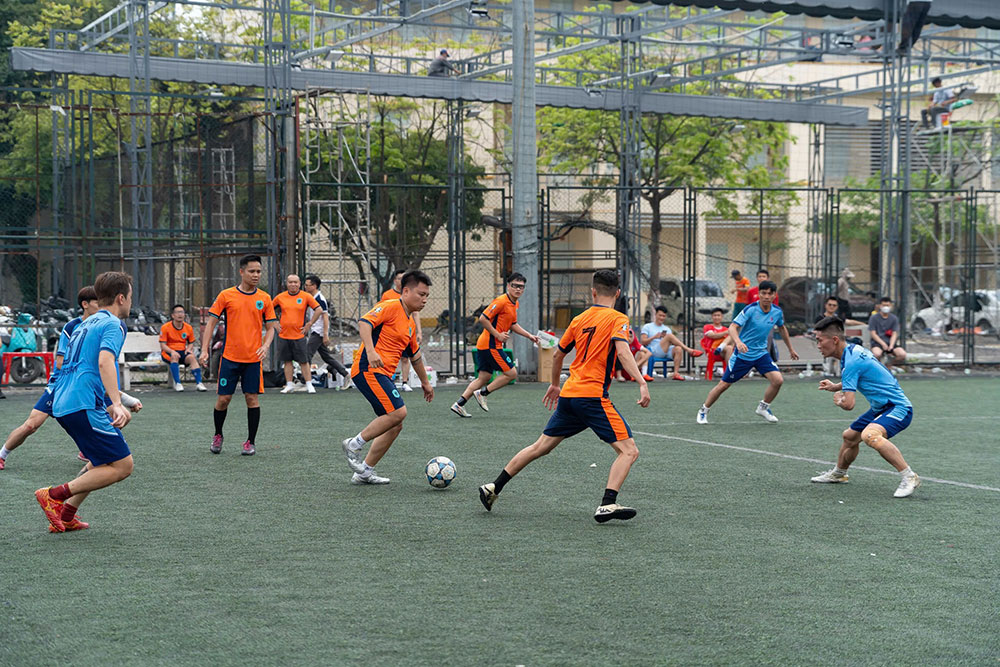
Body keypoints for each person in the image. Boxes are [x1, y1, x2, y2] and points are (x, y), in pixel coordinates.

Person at [477, 269, 651, 523]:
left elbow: (559, 354)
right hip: (592, 397)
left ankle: (494, 487)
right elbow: (623, 353)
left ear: (593, 291)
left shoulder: (579, 319)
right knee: (629, 451)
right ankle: (607, 504)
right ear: (617, 293)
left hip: (569, 394)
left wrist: (555, 385)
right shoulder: (618, 318)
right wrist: (642, 382)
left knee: (540, 447)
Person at [34, 272, 136, 533]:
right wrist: (116, 402)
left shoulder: (84, 324)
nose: (130, 302)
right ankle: (53, 495)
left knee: (100, 462)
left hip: (65, 402)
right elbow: (104, 362)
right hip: (82, 403)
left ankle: (67, 514)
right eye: (130, 297)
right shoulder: (113, 324)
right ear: (121, 298)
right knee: (123, 466)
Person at [1, 286, 141, 472]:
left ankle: (88, 451)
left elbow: (101, 364)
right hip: (63, 384)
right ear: (85, 304)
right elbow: (61, 363)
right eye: (97, 302)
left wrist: (120, 397)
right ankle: (2, 454)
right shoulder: (73, 327)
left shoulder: (104, 324)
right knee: (31, 425)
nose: (101, 305)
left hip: (87, 385)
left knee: (124, 416)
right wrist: (122, 397)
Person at [341, 270, 435, 484]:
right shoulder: (391, 306)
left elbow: (415, 356)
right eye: (421, 294)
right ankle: (353, 444)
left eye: (427, 296)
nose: (424, 300)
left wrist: (425, 383)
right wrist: (371, 351)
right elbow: (364, 322)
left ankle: (364, 472)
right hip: (367, 369)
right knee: (398, 412)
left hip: (383, 374)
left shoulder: (410, 323)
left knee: (395, 424)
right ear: (406, 291)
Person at [810, 316, 920, 498]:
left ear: (834, 340)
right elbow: (859, 376)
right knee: (849, 437)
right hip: (881, 408)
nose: (818, 345)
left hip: (898, 408)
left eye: (820, 340)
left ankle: (909, 476)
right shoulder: (853, 350)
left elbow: (849, 404)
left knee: (870, 435)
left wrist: (839, 400)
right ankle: (839, 473)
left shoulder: (851, 362)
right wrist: (836, 387)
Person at [199, 254, 278, 457]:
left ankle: (250, 442)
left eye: (259, 271)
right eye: (252, 271)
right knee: (223, 399)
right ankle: (218, 434)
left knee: (252, 398)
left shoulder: (264, 298)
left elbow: (271, 327)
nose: (256, 275)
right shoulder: (226, 295)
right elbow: (211, 323)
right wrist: (204, 349)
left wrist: (266, 345)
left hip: (253, 360)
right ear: (241, 272)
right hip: (230, 358)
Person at [697, 280, 799, 425]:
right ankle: (703, 410)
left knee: (778, 380)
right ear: (759, 294)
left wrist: (791, 349)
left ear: (774, 295)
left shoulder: (777, 312)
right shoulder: (750, 309)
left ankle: (763, 407)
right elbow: (732, 327)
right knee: (723, 385)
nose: (766, 296)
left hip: (761, 354)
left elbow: (782, 328)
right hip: (742, 355)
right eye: (763, 293)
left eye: (770, 294)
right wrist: (738, 342)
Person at [451, 273, 539, 418]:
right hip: (491, 345)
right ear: (508, 286)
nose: (518, 289)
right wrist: (497, 335)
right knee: (511, 374)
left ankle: (459, 404)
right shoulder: (501, 301)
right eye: (515, 286)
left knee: (484, 377)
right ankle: (483, 393)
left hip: (486, 345)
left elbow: (513, 324)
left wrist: (529, 336)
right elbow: (483, 319)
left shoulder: (514, 303)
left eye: (521, 287)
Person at [272, 274, 323, 394]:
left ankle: (309, 384)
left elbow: (319, 309)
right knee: (287, 361)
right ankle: (289, 385)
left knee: (304, 361)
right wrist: (274, 322)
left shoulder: (306, 296)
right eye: (290, 282)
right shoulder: (280, 297)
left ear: (300, 284)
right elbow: (268, 309)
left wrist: (309, 324)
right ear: (287, 284)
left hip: (299, 335)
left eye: (295, 282)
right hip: (284, 335)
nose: (293, 284)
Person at [303, 274, 350, 388]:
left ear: (314, 286)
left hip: (318, 332)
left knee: (306, 355)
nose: (305, 287)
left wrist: (325, 335)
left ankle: (306, 381)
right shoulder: (312, 298)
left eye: (307, 285)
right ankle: (345, 374)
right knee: (326, 357)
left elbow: (325, 317)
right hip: (315, 331)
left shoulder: (320, 299)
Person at [382, 269, 421, 392]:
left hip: (406, 332)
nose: (401, 281)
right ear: (395, 281)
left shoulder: (410, 295)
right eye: (399, 278)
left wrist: (419, 331)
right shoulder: (387, 295)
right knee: (389, 357)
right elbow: (382, 313)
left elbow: (415, 313)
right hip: (391, 333)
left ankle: (404, 382)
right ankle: (388, 380)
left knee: (406, 357)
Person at [640, 305, 703, 381]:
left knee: (678, 348)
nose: (662, 318)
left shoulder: (667, 328)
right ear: (655, 315)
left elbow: (672, 342)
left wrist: (667, 341)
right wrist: (654, 337)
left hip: (665, 350)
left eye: (664, 316)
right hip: (653, 351)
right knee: (669, 336)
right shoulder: (647, 326)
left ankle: (676, 373)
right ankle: (689, 350)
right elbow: (643, 341)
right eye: (660, 315)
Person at [159, 304, 206, 392]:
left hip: (182, 351)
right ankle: (178, 383)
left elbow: (191, 342)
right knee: (174, 356)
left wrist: (188, 349)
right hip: (168, 352)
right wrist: (172, 351)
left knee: (192, 357)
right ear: (173, 315)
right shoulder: (165, 327)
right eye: (177, 312)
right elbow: (163, 345)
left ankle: (199, 383)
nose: (180, 314)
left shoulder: (188, 327)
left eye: (182, 312)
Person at [746, 269, 780, 360]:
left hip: (768, 320)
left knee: (767, 338)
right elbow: (748, 307)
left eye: (763, 276)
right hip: (754, 321)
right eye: (759, 276)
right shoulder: (751, 291)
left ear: (767, 278)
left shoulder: (773, 294)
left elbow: (775, 308)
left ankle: (765, 358)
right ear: (757, 278)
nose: (761, 278)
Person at [868, 297, 907, 367]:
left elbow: (894, 333)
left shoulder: (894, 318)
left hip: (891, 343)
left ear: (891, 306)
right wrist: (883, 344)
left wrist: (891, 345)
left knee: (902, 354)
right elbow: (873, 334)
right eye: (884, 305)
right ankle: (879, 368)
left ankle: (889, 365)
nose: (886, 307)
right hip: (878, 343)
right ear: (880, 306)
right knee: (876, 354)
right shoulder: (873, 318)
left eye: (888, 305)